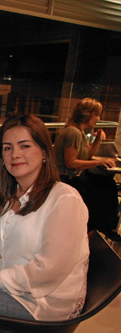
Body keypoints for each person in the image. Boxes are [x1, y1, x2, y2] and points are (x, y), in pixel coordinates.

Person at [0, 114, 89, 333]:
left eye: (25, 146)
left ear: (44, 152)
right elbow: (0, 248)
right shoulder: (11, 196)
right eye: (7, 148)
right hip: (10, 295)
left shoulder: (64, 199)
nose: (15, 154)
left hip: (39, 315)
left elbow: (47, 271)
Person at [54, 97, 119, 236]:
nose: (98, 118)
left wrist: (98, 139)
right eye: (96, 114)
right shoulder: (73, 133)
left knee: (106, 184)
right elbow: (71, 163)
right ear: (87, 114)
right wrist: (98, 163)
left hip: (74, 177)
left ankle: (102, 228)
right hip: (67, 179)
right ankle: (101, 228)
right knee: (104, 188)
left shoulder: (79, 132)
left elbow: (87, 155)